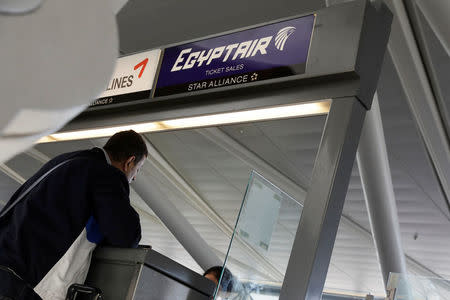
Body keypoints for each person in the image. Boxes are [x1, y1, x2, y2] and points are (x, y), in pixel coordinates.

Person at [0, 130, 148, 300]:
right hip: (23, 284)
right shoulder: (106, 174)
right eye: (138, 169)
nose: (134, 177)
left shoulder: (67, 161)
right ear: (129, 162)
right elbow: (126, 235)